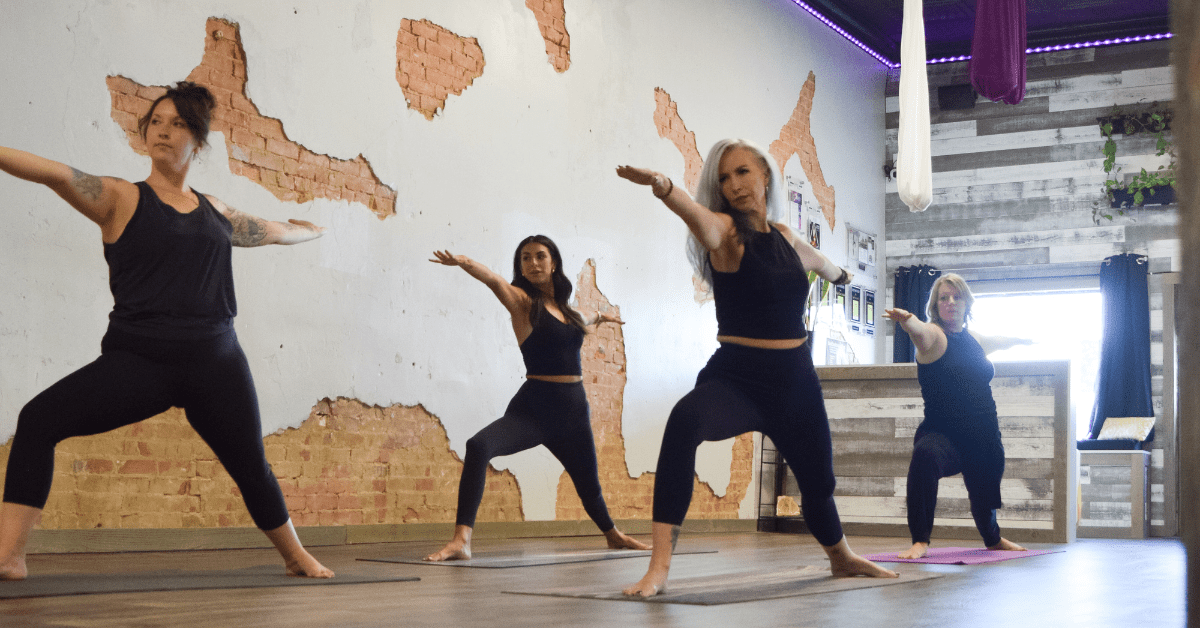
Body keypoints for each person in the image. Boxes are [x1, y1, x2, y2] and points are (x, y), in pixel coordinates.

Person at [0, 82, 332, 580]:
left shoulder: (216, 211)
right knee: (37, 420)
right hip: (139, 362)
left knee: (251, 465)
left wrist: (313, 230)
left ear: (197, 140)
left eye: (177, 124)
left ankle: (295, 555)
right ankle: (10, 557)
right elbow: (51, 172)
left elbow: (274, 231)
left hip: (216, 362)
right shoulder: (118, 197)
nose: (163, 131)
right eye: (156, 122)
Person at [616, 139, 897, 597]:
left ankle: (841, 557)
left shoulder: (786, 237)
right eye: (724, 179)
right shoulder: (724, 233)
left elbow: (820, 262)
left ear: (765, 175)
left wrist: (841, 276)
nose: (733, 185)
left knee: (818, 483)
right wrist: (665, 186)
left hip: (794, 380)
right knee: (684, 421)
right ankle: (658, 568)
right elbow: (695, 215)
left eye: (742, 173)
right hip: (738, 376)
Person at [424, 236, 649, 561]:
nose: (532, 263)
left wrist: (602, 317)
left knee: (590, 486)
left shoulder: (568, 313)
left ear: (553, 262)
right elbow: (494, 280)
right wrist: (465, 262)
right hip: (534, 409)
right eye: (525, 258)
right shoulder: (522, 303)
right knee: (479, 446)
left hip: (573, 412)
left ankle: (614, 536)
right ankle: (461, 540)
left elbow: (586, 317)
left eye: (539, 256)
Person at [884, 273, 1030, 559]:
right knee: (925, 457)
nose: (950, 302)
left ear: (966, 303)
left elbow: (997, 340)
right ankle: (920, 541)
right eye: (943, 298)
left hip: (983, 433)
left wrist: (1024, 339)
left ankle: (993, 539)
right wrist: (908, 320)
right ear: (935, 305)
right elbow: (920, 333)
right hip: (944, 435)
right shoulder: (935, 336)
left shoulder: (973, 338)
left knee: (983, 490)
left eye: (956, 297)